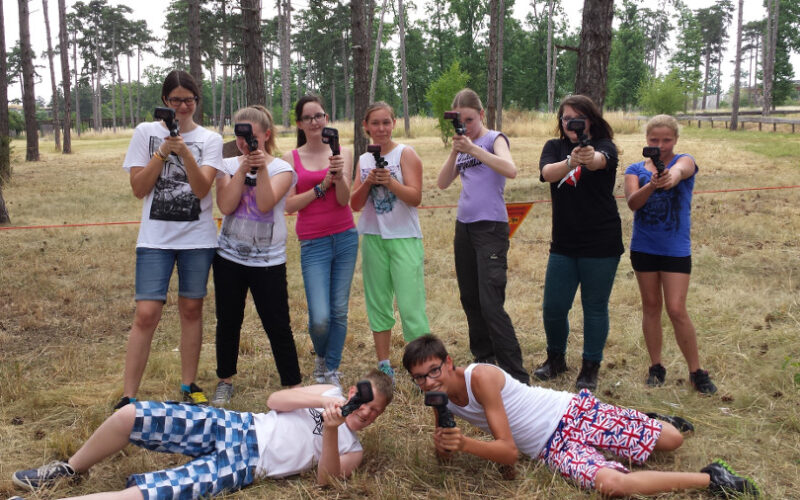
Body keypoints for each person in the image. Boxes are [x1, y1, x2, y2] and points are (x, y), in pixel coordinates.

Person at [402, 335, 759, 498]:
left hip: (570, 412)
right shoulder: (439, 400)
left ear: (448, 362)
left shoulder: (479, 377)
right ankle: (711, 479)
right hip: (550, 448)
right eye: (420, 378)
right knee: (612, 486)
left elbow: (507, 450)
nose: (429, 381)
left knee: (672, 440)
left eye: (434, 371)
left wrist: (465, 444)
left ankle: (640, 417)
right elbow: (448, 457)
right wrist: (446, 443)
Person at [11, 370, 393, 499]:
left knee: (148, 494)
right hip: (239, 425)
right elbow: (275, 399)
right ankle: (70, 468)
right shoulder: (327, 394)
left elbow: (325, 480)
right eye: (363, 402)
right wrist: (329, 396)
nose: (364, 412)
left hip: (247, 465)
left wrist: (331, 431)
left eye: (373, 412)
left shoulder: (352, 448)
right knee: (132, 414)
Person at [118, 70, 223, 410]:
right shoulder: (145, 133)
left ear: (197, 102)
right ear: (165, 101)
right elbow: (138, 189)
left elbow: (202, 188)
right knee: (146, 313)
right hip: (155, 239)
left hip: (197, 239)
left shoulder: (210, 139)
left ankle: (189, 383)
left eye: (188, 100)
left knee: (191, 309)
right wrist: (163, 151)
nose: (182, 107)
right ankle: (129, 395)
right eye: (175, 100)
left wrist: (185, 153)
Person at [435, 88, 528, 385]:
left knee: (491, 302)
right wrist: (456, 150)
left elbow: (510, 169)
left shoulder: (493, 139)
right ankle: (484, 359)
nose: (467, 127)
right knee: (470, 297)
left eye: (471, 120)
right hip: (464, 227)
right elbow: (441, 183)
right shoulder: (463, 146)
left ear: (482, 115)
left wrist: (474, 148)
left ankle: (516, 375)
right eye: (460, 122)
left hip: (491, 227)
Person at [211, 105, 302, 406]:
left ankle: (291, 385)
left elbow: (265, 204)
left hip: (268, 262)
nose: (245, 140)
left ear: (266, 135)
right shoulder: (225, 165)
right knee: (228, 320)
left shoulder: (282, 170)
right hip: (229, 258)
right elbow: (225, 205)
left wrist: (260, 167)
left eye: (251, 134)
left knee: (277, 324)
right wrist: (241, 167)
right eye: (240, 133)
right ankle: (225, 380)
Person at [623, 115, 717, 395]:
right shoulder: (634, 169)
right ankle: (656, 366)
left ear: (675, 140)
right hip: (644, 247)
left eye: (666, 140)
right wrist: (652, 183)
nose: (660, 145)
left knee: (676, 309)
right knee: (651, 306)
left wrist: (670, 176)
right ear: (646, 141)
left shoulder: (684, 160)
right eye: (654, 140)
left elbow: (682, 172)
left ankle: (696, 371)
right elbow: (632, 203)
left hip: (675, 248)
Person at [536, 94, 623, 391]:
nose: (571, 123)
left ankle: (590, 366)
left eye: (578, 118)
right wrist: (570, 160)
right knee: (553, 307)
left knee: (594, 307)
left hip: (601, 242)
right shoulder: (554, 147)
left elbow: (600, 161)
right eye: (566, 118)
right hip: (563, 243)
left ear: (591, 119)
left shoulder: (605, 146)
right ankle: (555, 359)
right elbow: (547, 173)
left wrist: (587, 156)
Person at [350, 101, 430, 382]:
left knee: (411, 305)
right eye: (375, 123)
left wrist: (391, 183)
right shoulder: (363, 159)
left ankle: (421, 364)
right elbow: (355, 203)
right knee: (378, 302)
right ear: (365, 127)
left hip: (404, 236)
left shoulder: (405, 154)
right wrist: (369, 182)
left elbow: (415, 197)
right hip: (373, 236)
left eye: (386, 122)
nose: (381, 128)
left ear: (394, 123)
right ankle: (384, 363)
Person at [283, 95, 358, 388]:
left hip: (345, 237)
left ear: (327, 119)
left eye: (319, 116)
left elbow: (343, 201)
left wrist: (338, 176)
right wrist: (321, 186)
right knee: (320, 317)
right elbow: (289, 206)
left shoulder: (343, 152)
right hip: (313, 242)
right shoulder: (291, 158)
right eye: (308, 118)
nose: (315, 122)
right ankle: (322, 355)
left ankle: (331, 368)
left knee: (339, 309)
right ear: (299, 123)